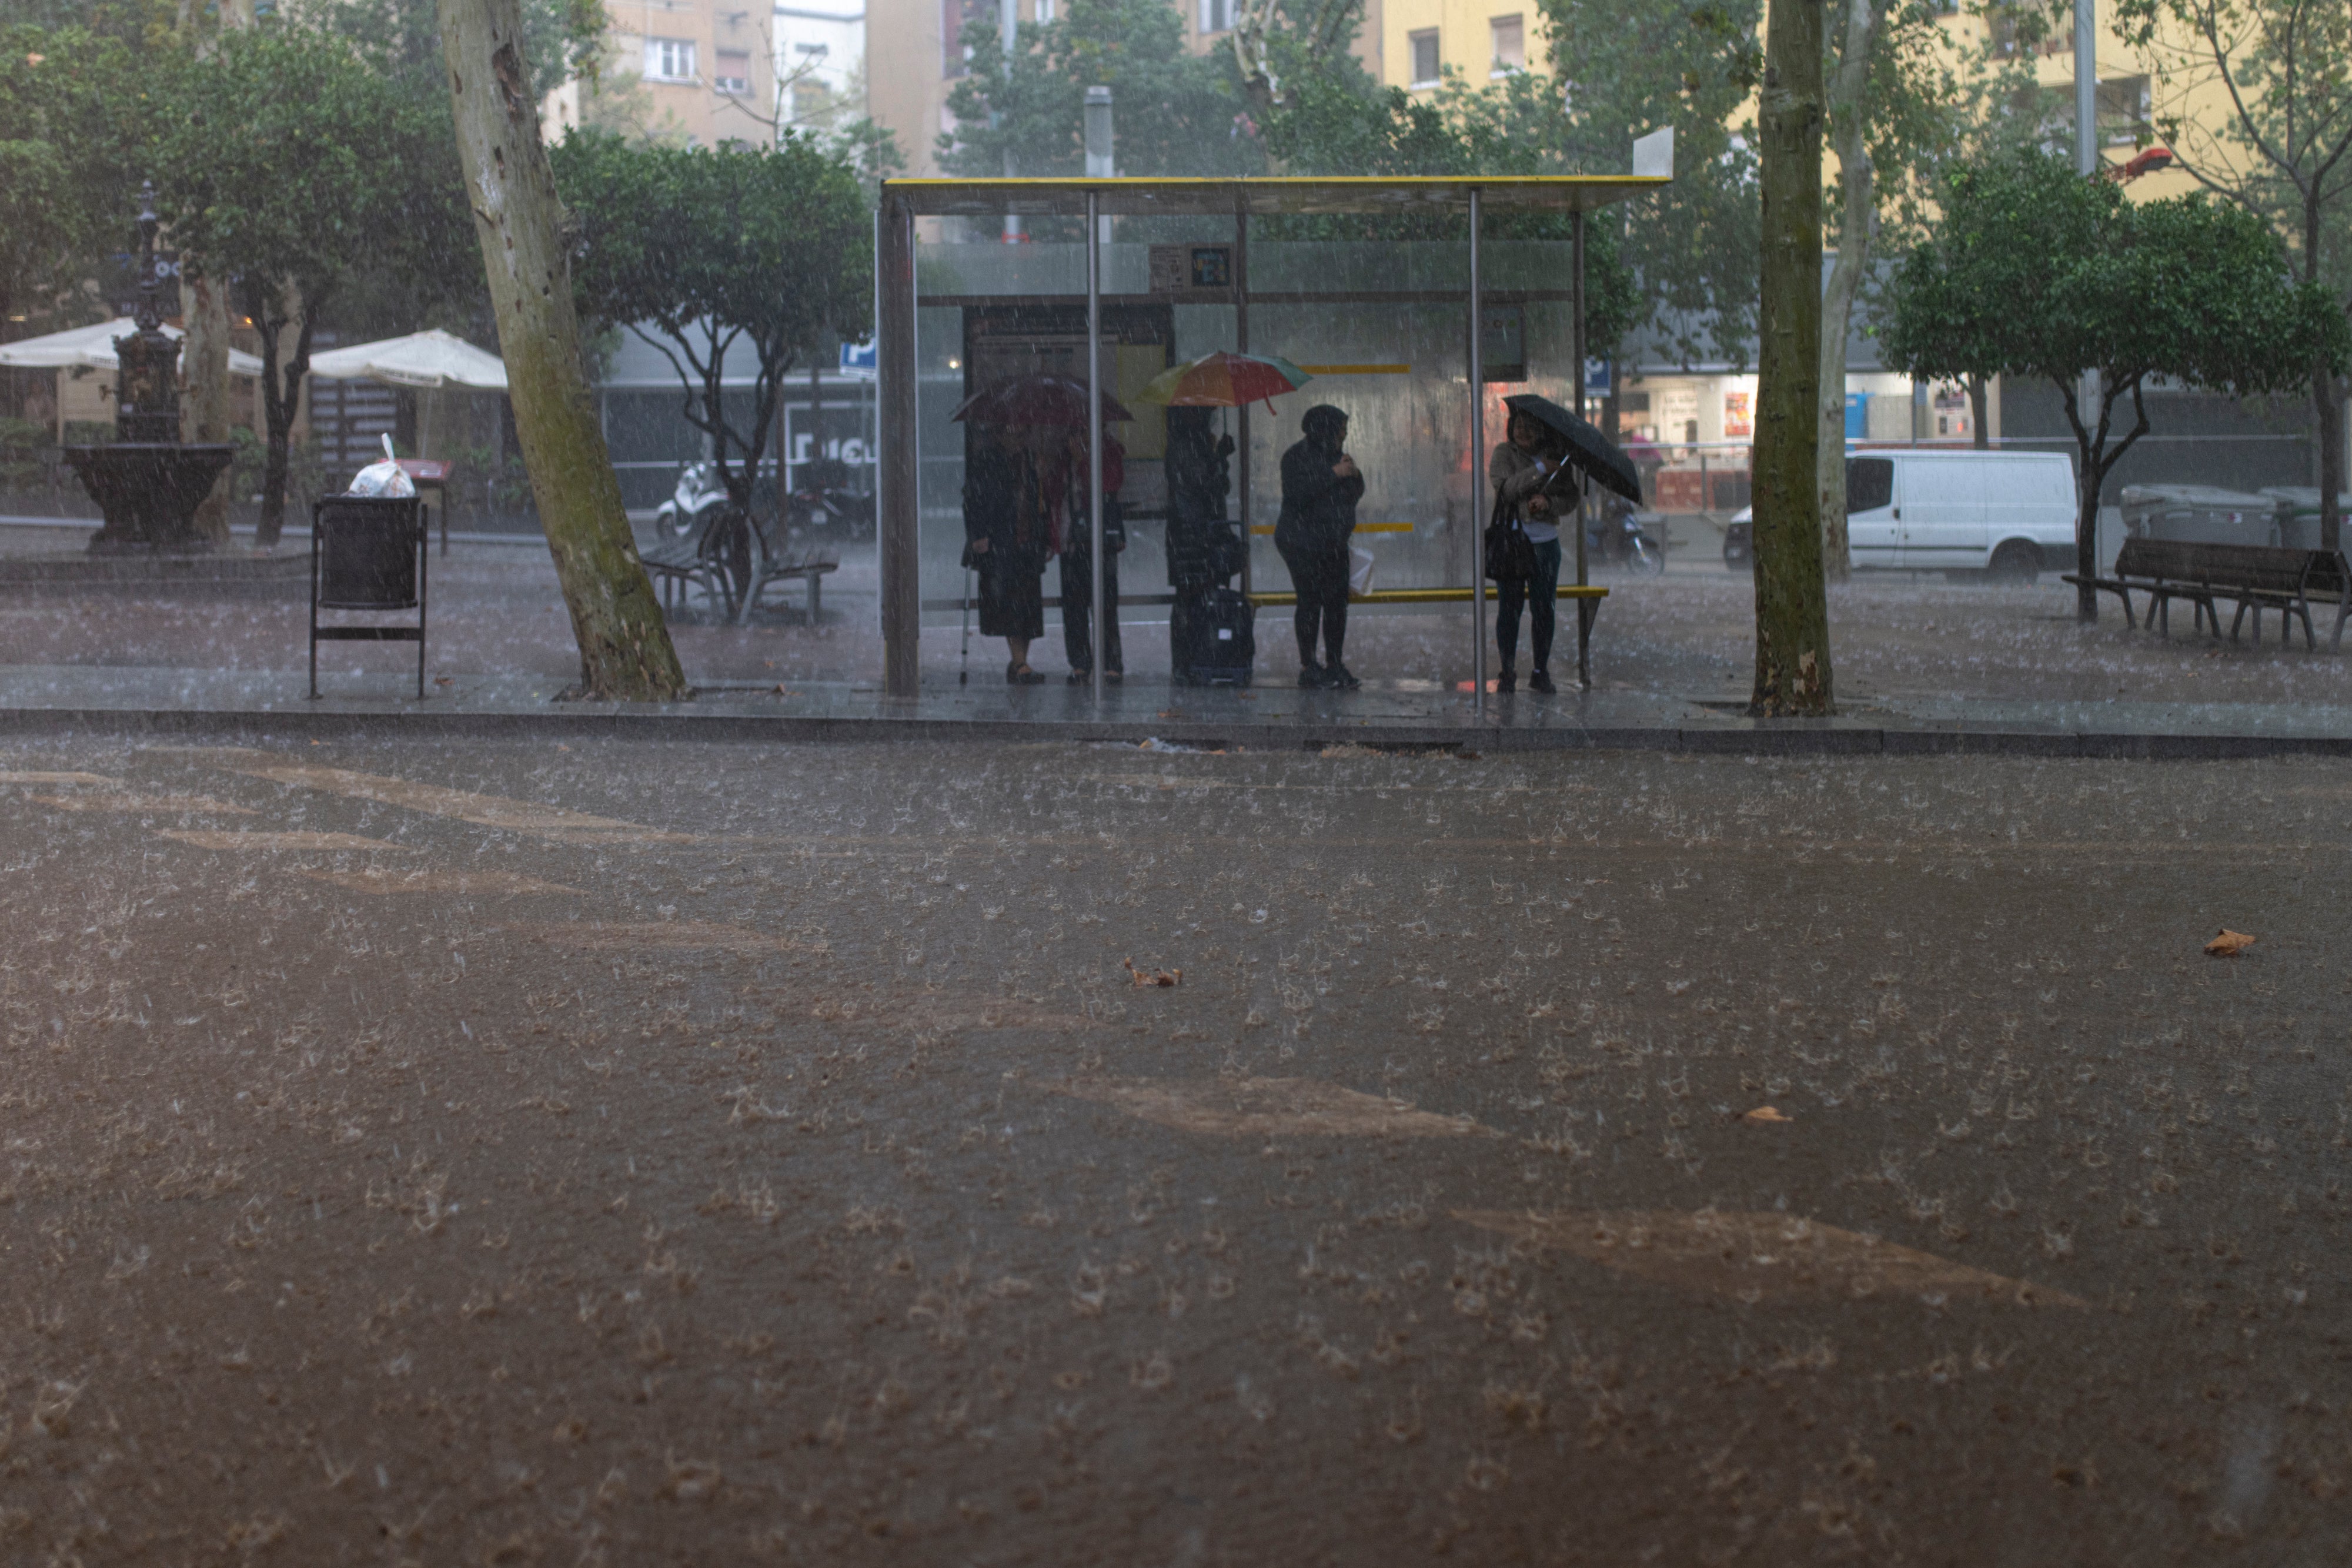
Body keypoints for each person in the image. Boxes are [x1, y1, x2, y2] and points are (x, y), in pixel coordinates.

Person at [1275, 404, 1364, 688]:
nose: (1344, 435)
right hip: (1301, 543)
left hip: (1332, 542)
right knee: (1310, 601)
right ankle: (1309, 665)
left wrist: (1354, 475)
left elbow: (1354, 493)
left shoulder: (1336, 456)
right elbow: (1298, 493)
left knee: (1337, 603)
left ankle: (1334, 663)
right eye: (1340, 430)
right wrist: (1334, 474)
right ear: (1325, 430)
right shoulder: (1296, 457)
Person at [962, 421, 1051, 683]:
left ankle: (1020, 661)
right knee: (1010, 602)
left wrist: (1040, 476)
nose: (1018, 439)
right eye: (1012, 432)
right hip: (1002, 542)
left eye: (1022, 433)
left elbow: (1041, 505)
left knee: (1028, 602)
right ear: (1000, 434)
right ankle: (1020, 661)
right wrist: (978, 534)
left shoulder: (1032, 461)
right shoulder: (987, 460)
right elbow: (973, 499)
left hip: (1028, 542)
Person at [1489, 409, 1569, 694]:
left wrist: (1548, 503)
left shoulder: (1557, 456)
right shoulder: (1504, 454)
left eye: (1530, 426)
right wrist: (1539, 471)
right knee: (1509, 611)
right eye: (1518, 426)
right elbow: (1505, 490)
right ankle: (1507, 671)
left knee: (1544, 610)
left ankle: (1540, 671)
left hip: (1546, 545)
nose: (1522, 431)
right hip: (1512, 544)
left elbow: (1569, 497)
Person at [1055, 424, 1125, 683]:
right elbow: (1057, 496)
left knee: (1106, 602)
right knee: (1074, 604)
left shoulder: (1109, 451)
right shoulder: (1063, 457)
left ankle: (1111, 661)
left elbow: (1107, 486)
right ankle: (1080, 662)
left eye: (1082, 430)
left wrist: (1083, 461)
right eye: (1074, 431)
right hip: (1073, 540)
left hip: (1101, 539)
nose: (1077, 436)